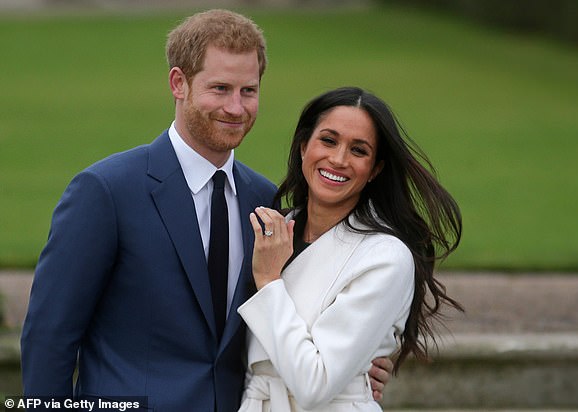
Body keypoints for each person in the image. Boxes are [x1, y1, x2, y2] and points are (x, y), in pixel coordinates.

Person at [20, 10, 391, 412]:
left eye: (248, 91)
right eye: (220, 88)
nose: (235, 107)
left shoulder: (266, 201)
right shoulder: (106, 192)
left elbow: (290, 315)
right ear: (178, 83)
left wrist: (357, 365)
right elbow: (48, 337)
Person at [236, 86, 464, 411]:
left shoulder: (385, 257)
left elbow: (315, 384)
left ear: (375, 170)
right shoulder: (272, 232)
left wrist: (270, 282)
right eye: (328, 140)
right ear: (304, 146)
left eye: (358, 150)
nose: (339, 159)